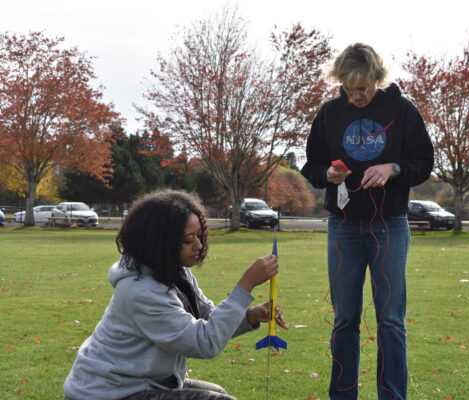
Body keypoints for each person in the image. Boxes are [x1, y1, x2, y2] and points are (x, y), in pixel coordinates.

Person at [300, 43, 434, 400]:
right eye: (348, 88)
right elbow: (310, 166)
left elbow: (424, 162)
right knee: (345, 319)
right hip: (343, 227)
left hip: (389, 226)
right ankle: (343, 395)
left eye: (363, 88)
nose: (355, 95)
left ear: (377, 78)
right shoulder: (329, 114)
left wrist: (393, 168)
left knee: (390, 320)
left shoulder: (402, 111)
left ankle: (392, 396)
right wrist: (326, 173)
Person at [63, 189, 288, 400]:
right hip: (107, 392)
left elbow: (206, 318)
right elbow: (205, 343)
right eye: (188, 240)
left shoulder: (174, 270)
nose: (199, 245)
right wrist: (246, 285)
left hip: (141, 383)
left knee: (217, 392)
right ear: (160, 242)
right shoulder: (140, 291)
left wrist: (249, 316)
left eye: (200, 235)